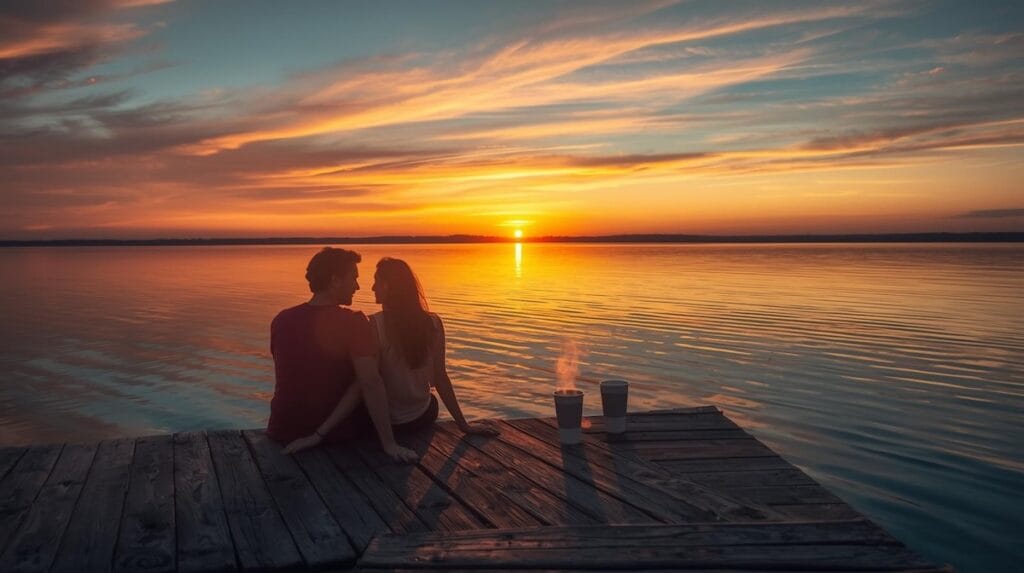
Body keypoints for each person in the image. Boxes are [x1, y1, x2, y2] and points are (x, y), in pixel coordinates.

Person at [268, 247, 417, 462]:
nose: (357, 286)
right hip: (335, 433)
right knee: (371, 375)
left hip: (282, 428)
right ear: (335, 280)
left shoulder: (281, 320)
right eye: (353, 278)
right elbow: (370, 383)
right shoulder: (354, 321)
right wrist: (390, 444)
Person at [368, 257, 497, 436]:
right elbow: (440, 378)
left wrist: (388, 442)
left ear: (389, 286)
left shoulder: (374, 325)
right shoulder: (433, 323)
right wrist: (464, 425)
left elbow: (372, 383)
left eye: (377, 281)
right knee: (432, 400)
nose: (372, 287)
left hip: (389, 424)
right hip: (422, 416)